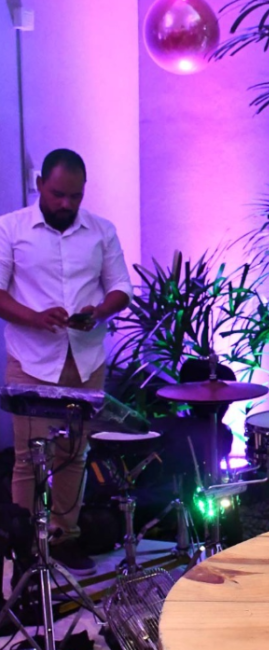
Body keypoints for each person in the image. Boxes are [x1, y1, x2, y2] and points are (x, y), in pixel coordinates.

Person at [0, 148, 132, 575]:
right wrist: (35, 318)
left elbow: (121, 287)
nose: (66, 204)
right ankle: (25, 546)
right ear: (40, 184)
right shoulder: (10, 228)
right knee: (29, 458)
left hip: (84, 358)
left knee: (74, 454)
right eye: (58, 194)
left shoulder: (101, 230)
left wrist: (99, 311)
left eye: (75, 196)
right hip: (31, 360)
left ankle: (65, 537)